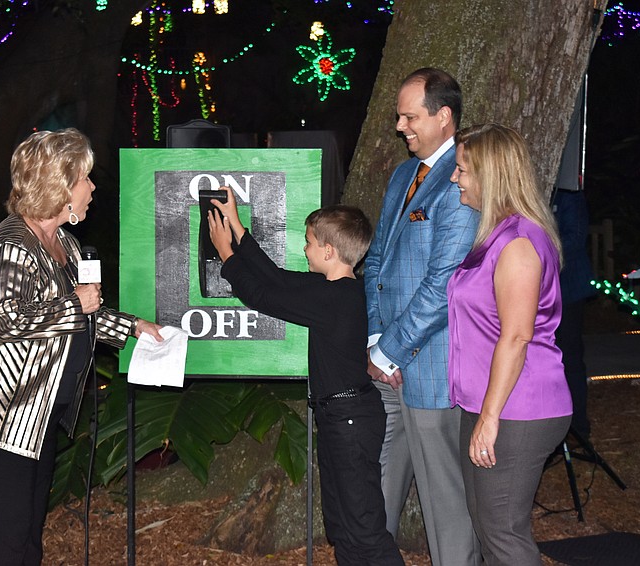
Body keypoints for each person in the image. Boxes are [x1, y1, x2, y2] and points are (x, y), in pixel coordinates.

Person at [0, 128, 163, 565]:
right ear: (59, 185)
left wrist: (133, 328)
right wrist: (72, 303)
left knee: (28, 529)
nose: (93, 187)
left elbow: (87, 311)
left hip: (36, 412)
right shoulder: (9, 247)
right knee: (6, 534)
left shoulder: (65, 245)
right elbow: (6, 321)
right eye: (85, 178)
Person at [207, 187, 403, 566]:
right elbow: (276, 278)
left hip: (349, 421)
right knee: (344, 529)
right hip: (340, 418)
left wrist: (226, 253)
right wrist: (235, 224)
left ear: (329, 251)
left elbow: (261, 296)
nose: (305, 249)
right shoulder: (334, 288)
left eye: (309, 242)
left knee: (364, 529)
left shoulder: (334, 299)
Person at [363, 67, 480, 565]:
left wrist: (389, 349)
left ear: (444, 116)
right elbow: (378, 261)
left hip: (432, 364)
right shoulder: (402, 175)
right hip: (384, 358)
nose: (399, 126)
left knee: (443, 495)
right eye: (398, 115)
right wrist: (374, 336)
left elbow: (443, 284)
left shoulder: (464, 177)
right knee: (380, 481)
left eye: (410, 116)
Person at [447, 123, 573, 565]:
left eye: (461, 169)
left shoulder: (518, 242)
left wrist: (491, 416)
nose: (454, 178)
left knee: (502, 533)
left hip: (519, 408)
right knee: (489, 528)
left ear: (491, 175)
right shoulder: (498, 234)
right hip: (492, 403)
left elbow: (517, 337)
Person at [552, 188, 595, 441]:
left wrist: (538, 247)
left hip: (568, 289)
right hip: (537, 290)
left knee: (570, 359)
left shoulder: (570, 196)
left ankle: (579, 427)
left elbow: (575, 238)